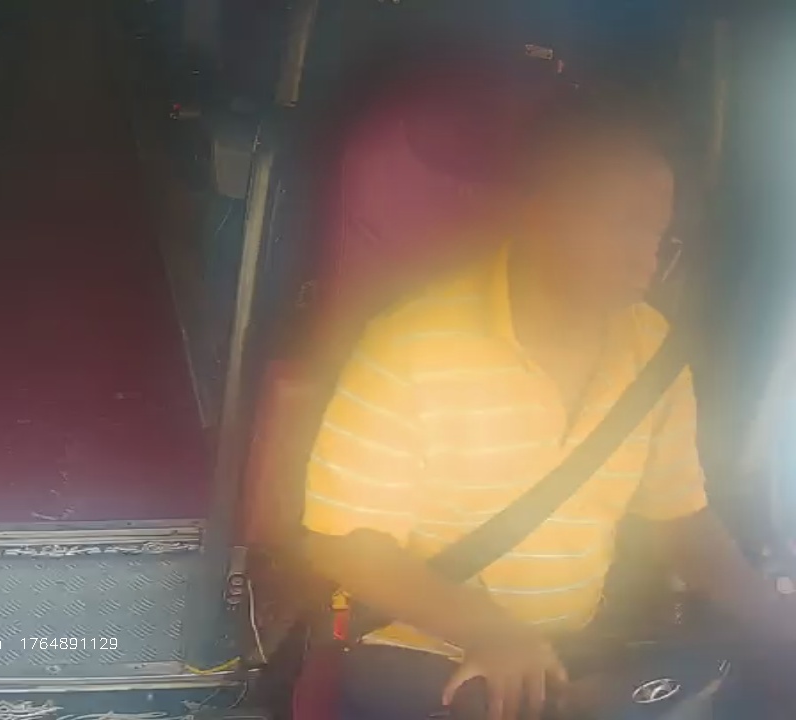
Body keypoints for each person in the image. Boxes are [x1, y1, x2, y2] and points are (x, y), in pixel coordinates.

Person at [301, 86, 796, 720]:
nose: (646, 258)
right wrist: (488, 629)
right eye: (624, 224)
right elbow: (345, 544)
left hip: (565, 654)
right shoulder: (412, 345)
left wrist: (771, 615)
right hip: (416, 646)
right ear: (542, 214)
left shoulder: (654, 351)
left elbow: (680, 521)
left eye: (658, 235)